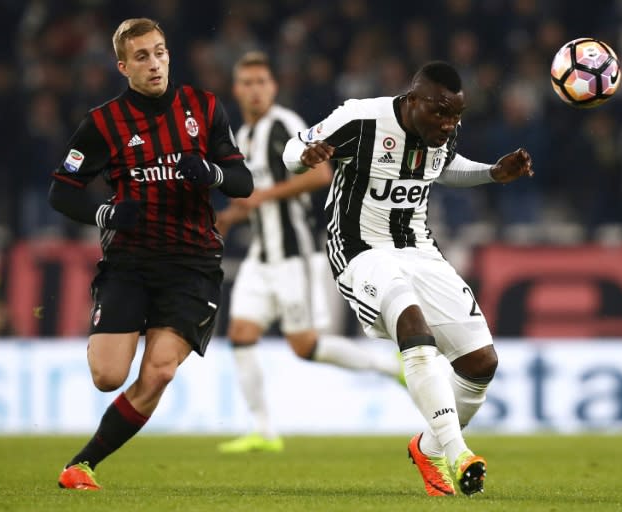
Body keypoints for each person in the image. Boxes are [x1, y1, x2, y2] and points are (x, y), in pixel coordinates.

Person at [283, 61, 533, 496]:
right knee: (411, 324)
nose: (448, 123)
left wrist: (493, 172)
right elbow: (293, 149)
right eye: (439, 114)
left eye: (456, 116)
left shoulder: (441, 129)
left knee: (481, 363)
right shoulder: (360, 120)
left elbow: (443, 167)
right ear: (413, 100)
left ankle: (428, 446)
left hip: (419, 249)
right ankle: (458, 453)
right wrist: (306, 159)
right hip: (361, 251)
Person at [47, 18, 253, 490]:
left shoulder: (204, 108)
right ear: (123, 66)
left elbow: (243, 182)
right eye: (142, 56)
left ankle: (81, 465)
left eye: (159, 52)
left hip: (192, 264)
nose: (155, 63)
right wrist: (105, 214)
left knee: (158, 371)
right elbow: (62, 191)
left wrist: (212, 175)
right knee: (107, 376)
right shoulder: (102, 123)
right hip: (130, 262)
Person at [216, 51, 404, 453]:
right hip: (259, 256)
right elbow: (256, 199)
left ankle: (390, 366)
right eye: (246, 83)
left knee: (304, 346)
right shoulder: (244, 137)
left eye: (261, 82)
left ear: (273, 87)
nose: (254, 90)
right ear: (237, 89)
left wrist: (262, 195)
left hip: (293, 254)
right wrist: (232, 217)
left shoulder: (285, 124)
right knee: (241, 334)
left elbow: (322, 173)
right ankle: (264, 431)